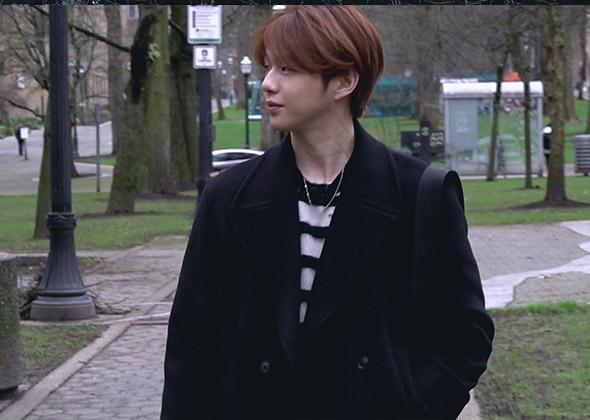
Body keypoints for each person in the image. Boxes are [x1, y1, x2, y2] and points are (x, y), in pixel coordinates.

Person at [161, 6, 494, 420]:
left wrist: (414, 406)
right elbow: (191, 345)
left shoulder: (421, 194)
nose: (268, 84)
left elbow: (464, 335)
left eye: (287, 69)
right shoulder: (228, 196)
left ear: (344, 81)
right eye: (268, 67)